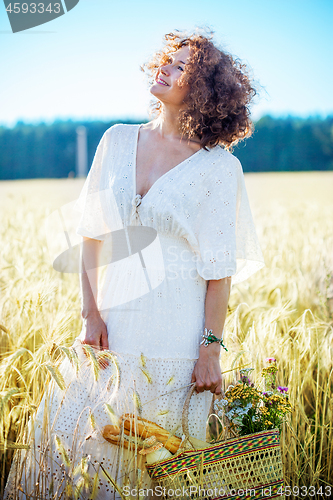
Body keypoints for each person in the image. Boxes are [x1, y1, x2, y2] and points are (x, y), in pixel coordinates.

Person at [4, 30, 265, 499]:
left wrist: (209, 350)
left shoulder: (219, 168)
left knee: (160, 465)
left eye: (180, 65)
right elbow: (90, 233)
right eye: (166, 59)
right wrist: (90, 313)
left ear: (204, 87)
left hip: (175, 336)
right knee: (80, 452)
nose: (163, 67)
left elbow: (218, 273)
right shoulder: (117, 140)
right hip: (109, 330)